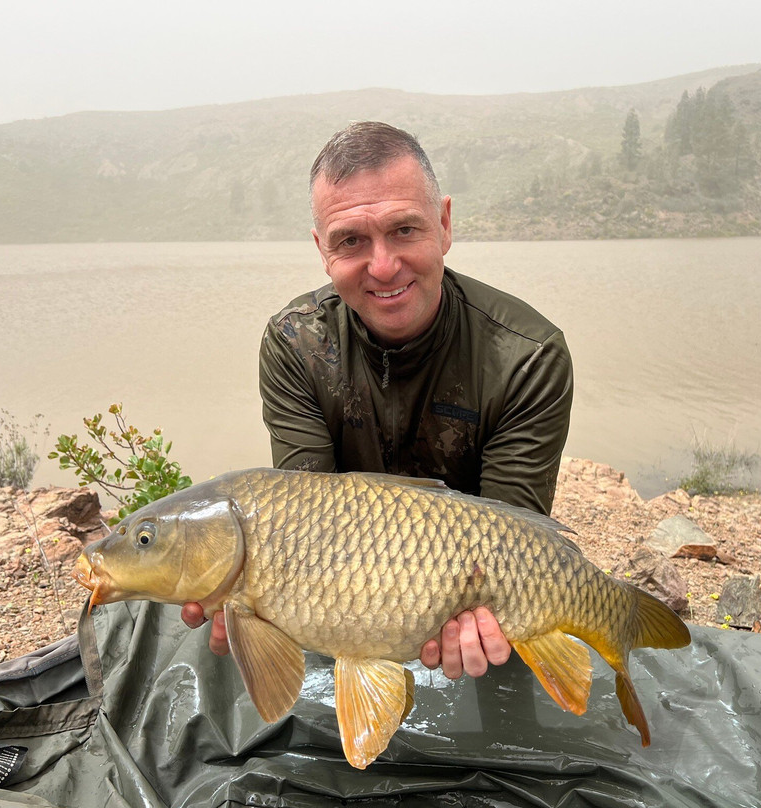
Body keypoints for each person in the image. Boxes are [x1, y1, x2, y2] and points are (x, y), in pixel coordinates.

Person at [183, 121, 573, 680]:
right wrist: (253, 606)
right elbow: (300, 523)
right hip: (340, 594)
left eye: (405, 230)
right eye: (351, 241)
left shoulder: (526, 356)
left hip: (470, 599)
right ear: (322, 250)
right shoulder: (296, 343)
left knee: (500, 645)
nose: (384, 266)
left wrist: (474, 615)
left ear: (444, 224)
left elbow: (515, 537)